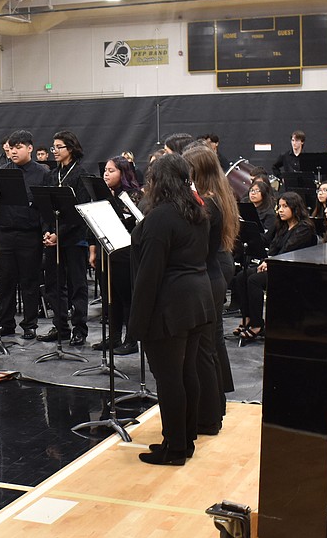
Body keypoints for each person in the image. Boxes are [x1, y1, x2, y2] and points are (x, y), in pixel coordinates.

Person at [129, 153, 213, 466]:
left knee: (169, 379)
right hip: (197, 299)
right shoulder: (197, 209)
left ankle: (175, 448)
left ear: (156, 182)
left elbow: (149, 275)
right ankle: (184, 439)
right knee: (186, 372)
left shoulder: (161, 217)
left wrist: (137, 323)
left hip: (170, 305)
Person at [183, 143, 239, 435]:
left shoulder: (208, 202)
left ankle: (209, 414)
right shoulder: (218, 195)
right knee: (213, 343)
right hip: (217, 267)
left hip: (211, 272)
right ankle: (216, 405)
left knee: (205, 348)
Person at [0, 130, 49, 339]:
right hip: (6, 234)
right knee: (5, 282)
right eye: (11, 148)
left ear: (30, 148)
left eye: (18, 147)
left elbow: (45, 207)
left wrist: (46, 231)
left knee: (29, 282)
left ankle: (29, 325)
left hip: (30, 235)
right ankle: (5, 324)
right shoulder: (1, 172)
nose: (14, 151)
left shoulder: (43, 173)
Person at [232, 192, 316, 340]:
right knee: (241, 276)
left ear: (295, 208)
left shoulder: (305, 228)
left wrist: (269, 263)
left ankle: (258, 324)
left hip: (293, 271)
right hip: (277, 266)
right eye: (279, 206)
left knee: (254, 280)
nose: (280, 210)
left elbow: (288, 250)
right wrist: (267, 261)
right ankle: (247, 318)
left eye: (285, 206)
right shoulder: (283, 225)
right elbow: (273, 247)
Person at [39, 130, 92, 346]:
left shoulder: (80, 175)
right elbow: (44, 206)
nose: (55, 151)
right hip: (53, 238)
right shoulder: (51, 175)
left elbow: (80, 212)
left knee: (77, 284)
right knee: (54, 283)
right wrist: (47, 232)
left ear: (70, 148)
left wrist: (59, 235)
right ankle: (60, 325)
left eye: (59, 147)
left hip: (74, 238)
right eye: (53, 147)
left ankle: (80, 328)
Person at [93, 155, 142, 354]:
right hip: (107, 252)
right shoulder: (106, 196)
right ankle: (113, 338)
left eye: (111, 170)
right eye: (105, 170)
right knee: (109, 297)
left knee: (126, 297)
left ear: (123, 173)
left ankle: (131, 340)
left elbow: (133, 225)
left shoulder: (133, 196)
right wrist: (94, 250)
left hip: (125, 253)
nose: (106, 174)